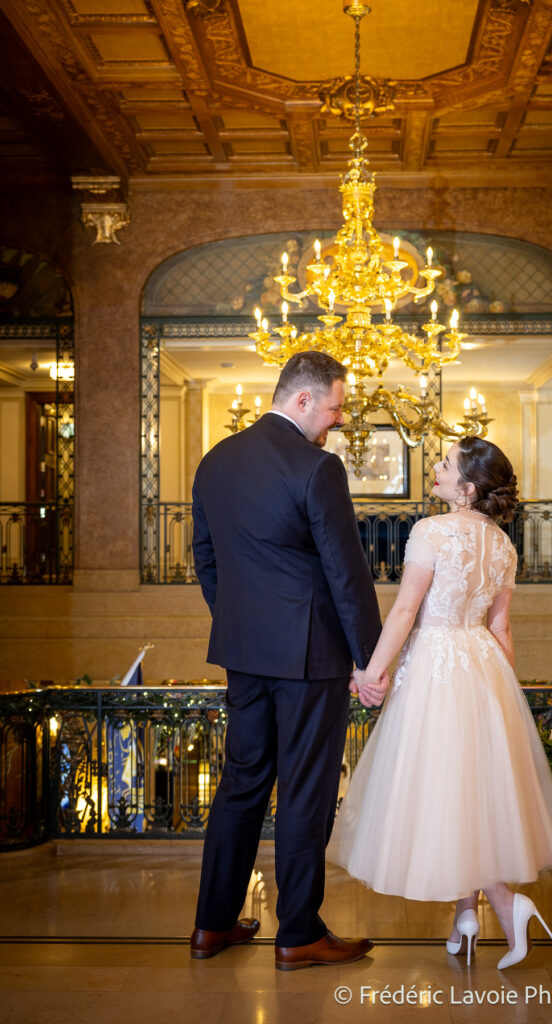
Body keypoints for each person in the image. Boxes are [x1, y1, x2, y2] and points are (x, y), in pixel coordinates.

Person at [327, 436, 552, 969]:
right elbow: (501, 626)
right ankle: (466, 915)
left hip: (437, 665)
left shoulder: (431, 532)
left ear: (466, 489)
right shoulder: (504, 546)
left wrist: (371, 673)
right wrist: (505, 695)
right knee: (469, 791)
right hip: (483, 664)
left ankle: (505, 904)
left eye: (444, 466)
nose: (435, 471)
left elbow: (403, 613)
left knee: (446, 788)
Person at [190, 351, 385, 970]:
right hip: (311, 656)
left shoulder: (215, 461)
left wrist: (240, 621)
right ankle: (298, 933)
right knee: (305, 791)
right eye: (333, 409)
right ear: (302, 401)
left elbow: (206, 558)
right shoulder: (316, 467)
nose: (335, 423)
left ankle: (212, 926)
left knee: (241, 784)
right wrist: (371, 659)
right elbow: (346, 573)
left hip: (244, 653)